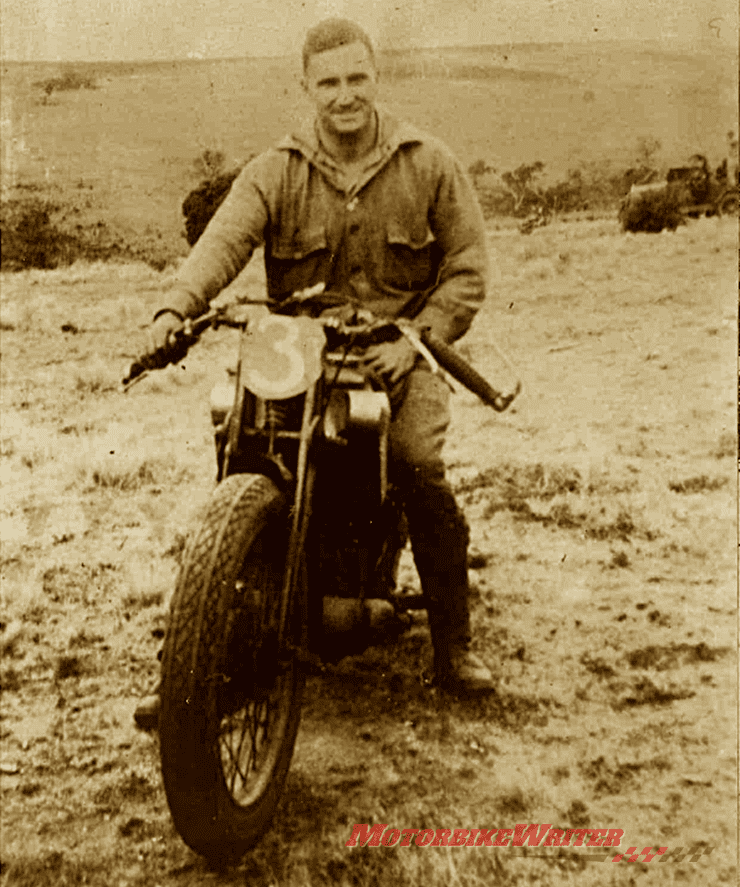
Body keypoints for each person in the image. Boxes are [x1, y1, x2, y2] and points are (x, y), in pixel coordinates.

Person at [135, 18, 494, 729]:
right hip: (299, 351)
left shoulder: (428, 161)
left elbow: (468, 270)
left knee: (418, 459)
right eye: (328, 82)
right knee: (242, 457)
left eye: (356, 78)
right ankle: (198, 651)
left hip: (400, 351)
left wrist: (420, 336)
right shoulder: (277, 169)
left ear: (376, 77)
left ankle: (453, 643)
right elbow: (222, 243)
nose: (344, 96)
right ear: (306, 87)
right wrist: (173, 309)